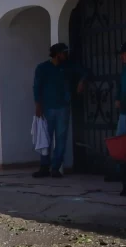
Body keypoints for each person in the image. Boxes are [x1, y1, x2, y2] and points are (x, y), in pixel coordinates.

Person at [32, 42, 87, 179]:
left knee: (61, 139)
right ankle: (44, 167)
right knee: (46, 138)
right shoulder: (43, 68)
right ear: (57, 54)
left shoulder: (68, 66)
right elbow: (37, 87)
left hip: (63, 107)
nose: (66, 54)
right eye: (64, 52)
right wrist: (38, 105)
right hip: (47, 108)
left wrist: (81, 82)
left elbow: (85, 72)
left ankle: (55, 168)